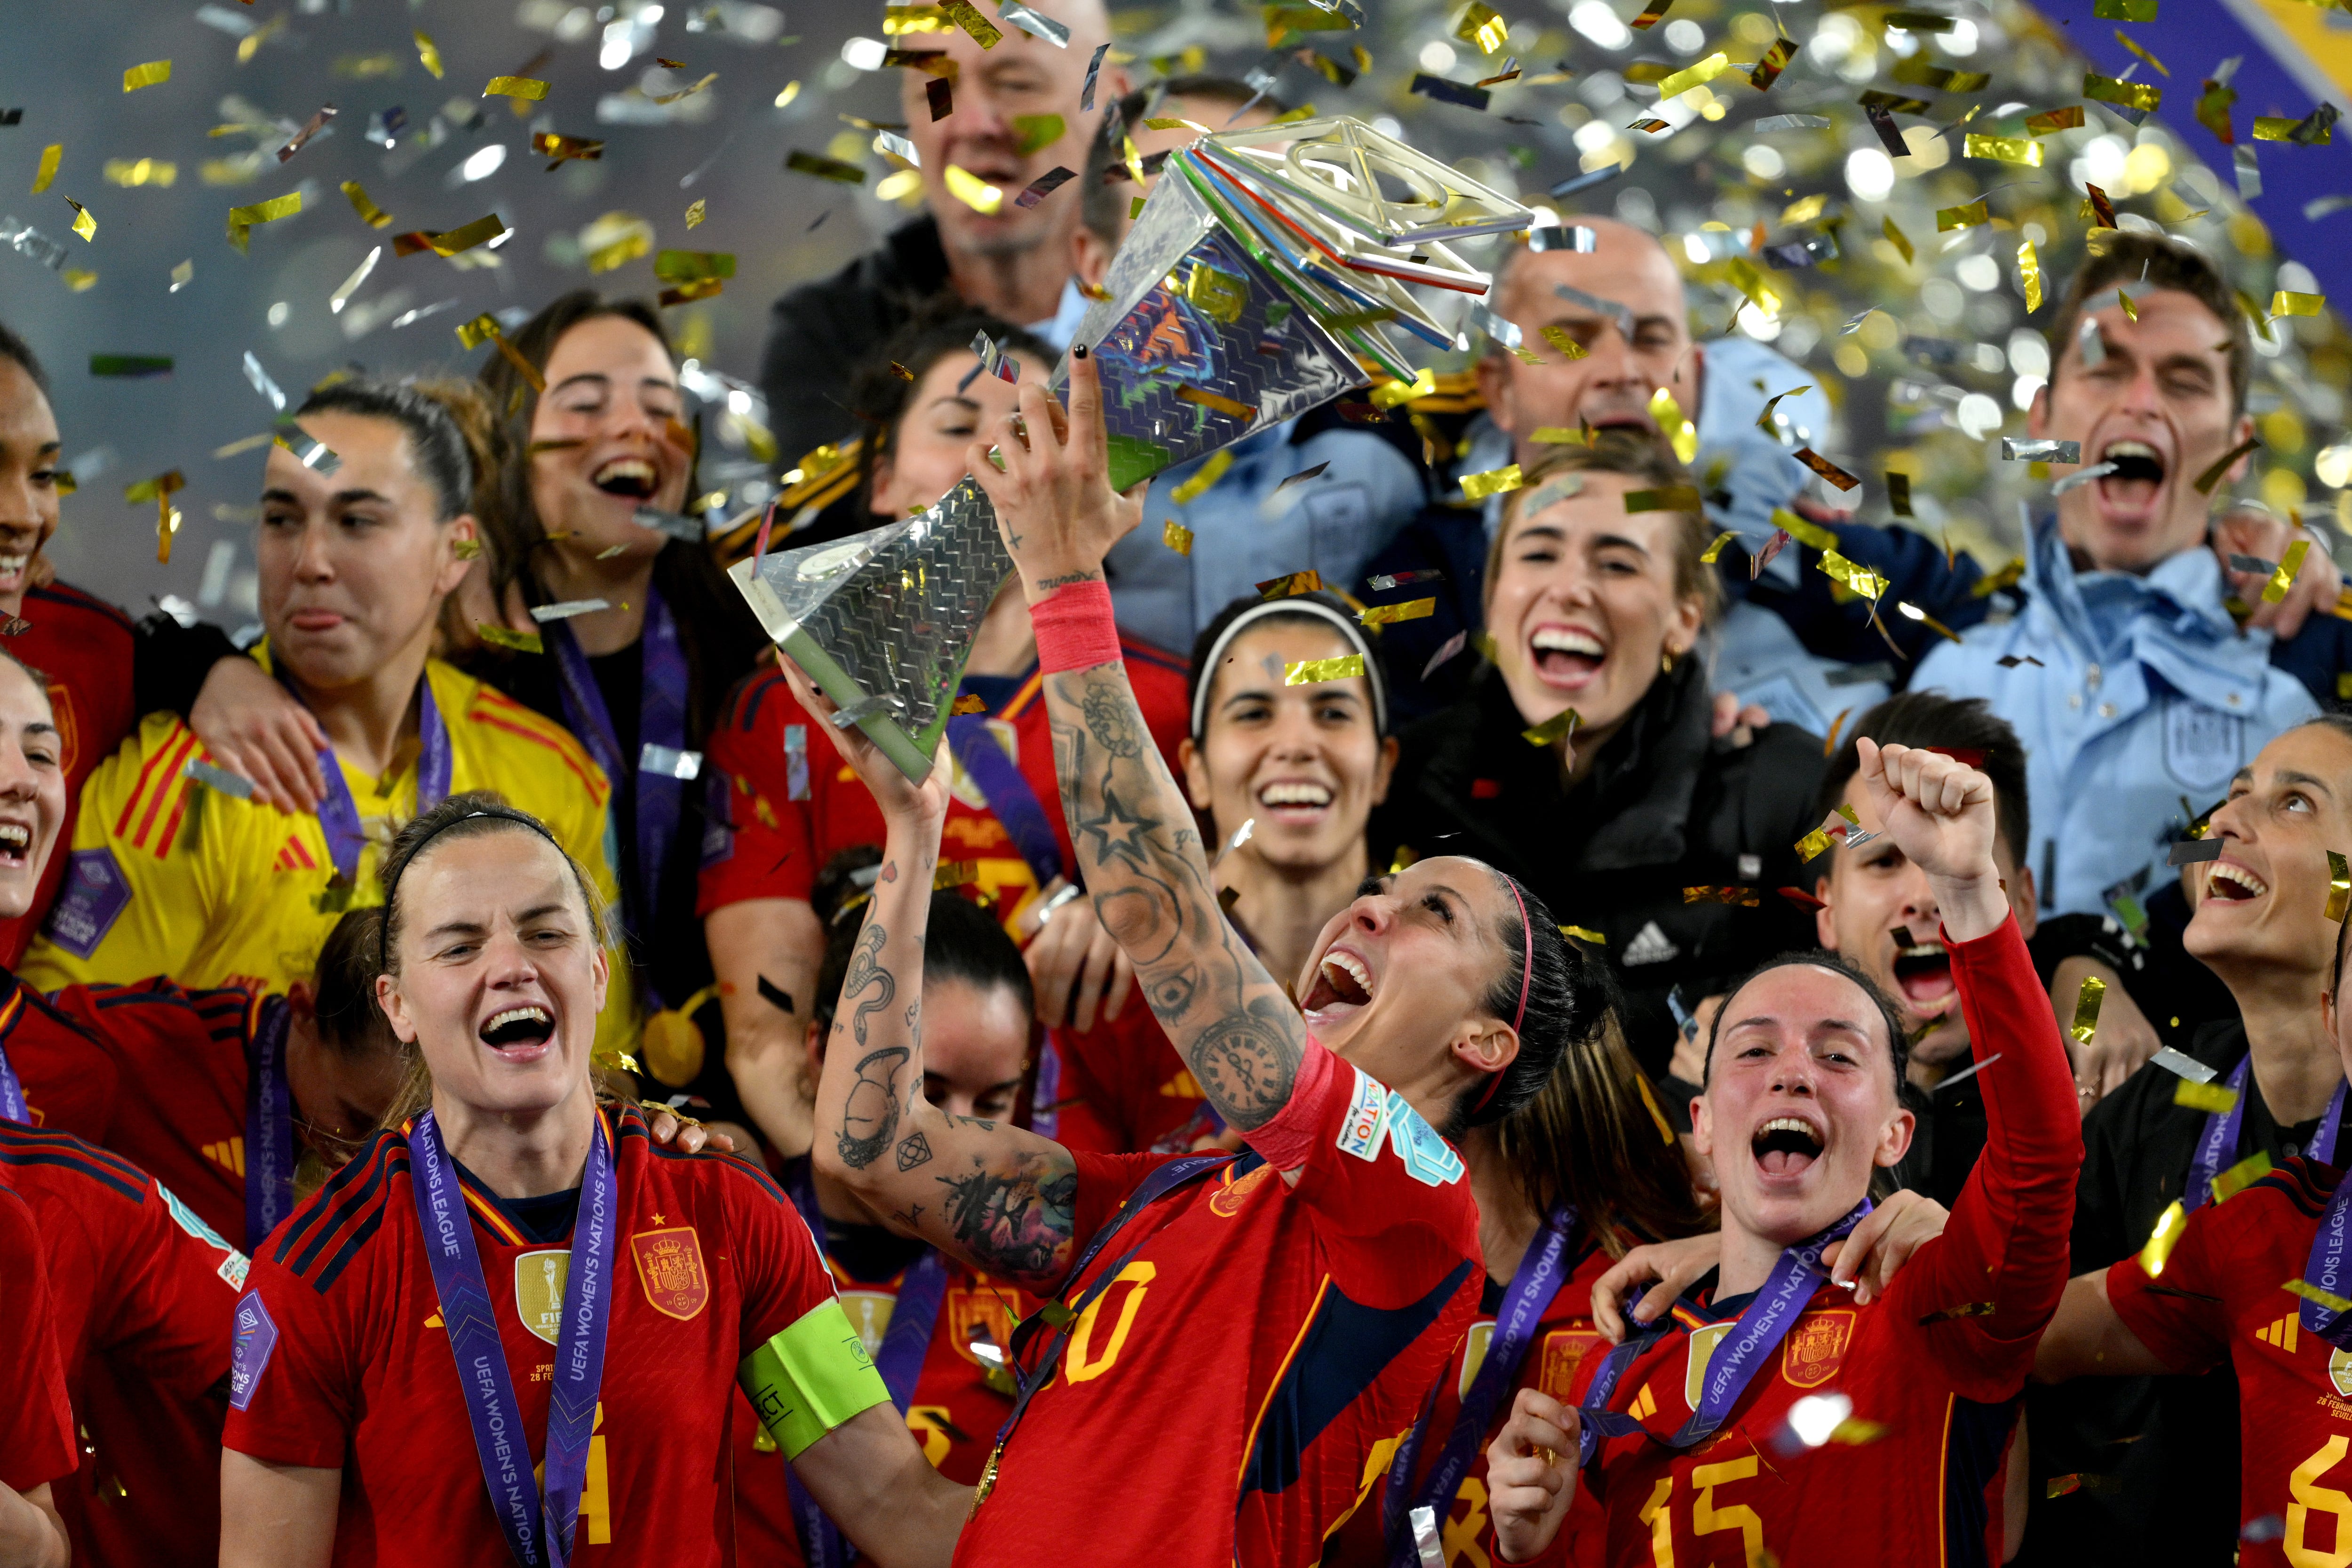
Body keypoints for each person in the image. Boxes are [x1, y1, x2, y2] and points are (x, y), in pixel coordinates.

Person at [783, 339, 1612, 1562]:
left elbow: (1163, 911)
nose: (1368, 909)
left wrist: (1066, 585)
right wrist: (910, 837)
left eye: (1432, 912)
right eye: (1386, 892)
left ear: (1486, 1035)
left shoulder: (1415, 1197)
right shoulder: (1166, 1192)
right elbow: (864, 1149)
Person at [219, 792, 968, 1565]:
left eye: (546, 932)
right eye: (459, 946)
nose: (512, 965)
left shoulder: (728, 1214)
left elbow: (901, 1507)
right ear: (398, 1002)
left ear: (599, 972)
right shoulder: (318, 1269)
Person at [1483, 741, 2079, 1567]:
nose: (1795, 1071)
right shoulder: (1617, 1378)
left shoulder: (1928, 1304)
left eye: (1838, 1056)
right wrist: (1532, 1547)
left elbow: (2041, 1155)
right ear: (1702, 1124)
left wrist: (1973, 893)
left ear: (1893, 1134)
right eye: (1755, 1052)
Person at [18, 378, 637, 1065]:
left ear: (454, 553)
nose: (309, 562)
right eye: (283, 519)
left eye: (357, 521)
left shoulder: (552, 777)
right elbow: (50, 1072)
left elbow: (602, 1072)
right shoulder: (181, 787)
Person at [700, 316, 1190, 1162]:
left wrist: (1163, 921)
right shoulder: (786, 706)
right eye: (961, 428)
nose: (998, 458)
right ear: (883, 479)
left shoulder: (1167, 699)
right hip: (882, 1215)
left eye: (1032, 430)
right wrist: (876, 1203)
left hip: (1104, 1210)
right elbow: (768, 1041)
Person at [1369, 435, 1824, 1080]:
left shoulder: (1786, 793)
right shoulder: (1400, 790)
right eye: (1539, 553)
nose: (1571, 588)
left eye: (1617, 564)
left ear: (1683, 620)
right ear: (1495, 599)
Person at [2015, 715, 2352, 1566]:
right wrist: (2083, 977)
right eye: (2235, 791)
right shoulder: (2164, 1091)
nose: (2228, 817)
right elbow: (2085, 927)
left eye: (2295, 802)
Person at [1915, 234, 2325, 923]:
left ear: (2234, 451)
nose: (2141, 401)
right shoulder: (1944, 681)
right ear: (2042, 422)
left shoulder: (2299, 705)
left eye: (2185, 380)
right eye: (2105, 368)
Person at [451, 291, 770, 1101]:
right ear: (509, 445)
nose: (637, 428)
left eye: (663, 408)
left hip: (735, 1118)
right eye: (587, 404)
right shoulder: (455, 662)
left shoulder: (754, 641)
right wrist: (210, 672)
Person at [732, 853, 1046, 1563]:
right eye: (926, 1090)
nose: (957, 1137)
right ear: (821, 1053)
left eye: (993, 1102)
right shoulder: (720, 1239)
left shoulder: (1044, 1287)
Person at [1080, 82, 1433, 659]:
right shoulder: (1016, 462)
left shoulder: (1391, 453)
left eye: (1272, 199)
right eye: (1187, 191)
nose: (1235, 233)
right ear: (1093, 261)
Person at [1053, 589, 1398, 1153]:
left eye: (1333, 713)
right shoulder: (1120, 981)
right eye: (1254, 714)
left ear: (1382, 767)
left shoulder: (1451, 979)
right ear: (1196, 771)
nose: (1296, 745)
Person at [757, 0, 1128, 469]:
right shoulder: (832, 338)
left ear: (1114, 104)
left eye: (1017, 84)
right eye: (935, 91)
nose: (973, 124)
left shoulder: (1193, 295)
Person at [1789, 692, 2071, 1205]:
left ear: (2026, 903)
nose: (1924, 896)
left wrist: (2096, 972)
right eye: (1883, 863)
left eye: (1967, 863)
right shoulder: (1766, 1098)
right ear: (1826, 913)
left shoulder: (2100, 1078)